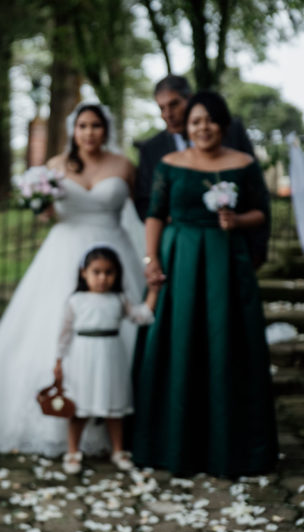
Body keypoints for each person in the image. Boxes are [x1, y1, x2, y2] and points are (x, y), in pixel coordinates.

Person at [0, 103, 146, 457]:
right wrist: (41, 208)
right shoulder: (54, 167)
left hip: (115, 252)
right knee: (52, 328)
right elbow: (44, 215)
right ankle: (64, 426)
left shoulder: (123, 165)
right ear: (73, 131)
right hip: (64, 253)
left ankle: (123, 425)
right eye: (83, 126)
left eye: (96, 125)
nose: (89, 132)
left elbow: (140, 213)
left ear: (105, 129)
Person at [132, 91, 278, 477]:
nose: (203, 127)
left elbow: (262, 213)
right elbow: (155, 214)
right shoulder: (169, 163)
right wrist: (152, 261)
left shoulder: (244, 163)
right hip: (180, 262)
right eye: (196, 121)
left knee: (226, 344)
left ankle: (231, 448)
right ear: (187, 126)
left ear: (224, 125)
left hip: (228, 266)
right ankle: (172, 445)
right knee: (179, 346)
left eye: (210, 120)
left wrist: (238, 221)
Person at [135, 75, 268, 267]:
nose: (168, 114)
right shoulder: (152, 150)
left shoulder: (233, 133)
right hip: (179, 249)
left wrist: (257, 250)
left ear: (190, 98)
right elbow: (146, 205)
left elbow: (258, 200)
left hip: (232, 249)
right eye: (161, 108)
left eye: (174, 105)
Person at [54, 246, 157, 475]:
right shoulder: (76, 300)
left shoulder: (119, 299)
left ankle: (118, 450)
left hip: (111, 357)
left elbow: (141, 316)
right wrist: (59, 361)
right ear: (84, 273)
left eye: (109, 272)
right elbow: (64, 334)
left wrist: (153, 292)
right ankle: (72, 451)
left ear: (117, 274)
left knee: (114, 405)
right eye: (96, 272)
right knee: (78, 407)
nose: (102, 278)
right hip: (82, 358)